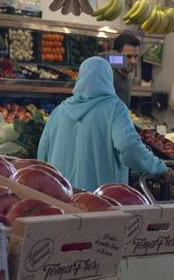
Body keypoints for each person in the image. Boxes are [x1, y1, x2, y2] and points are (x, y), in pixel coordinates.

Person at [38, 55, 166, 191]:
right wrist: (158, 168)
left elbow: (42, 154)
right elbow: (128, 146)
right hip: (101, 201)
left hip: (61, 197)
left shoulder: (59, 111)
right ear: (108, 79)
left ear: (80, 78)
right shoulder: (115, 109)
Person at [110, 33, 140, 106]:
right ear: (115, 54)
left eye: (135, 57)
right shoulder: (107, 77)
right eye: (128, 56)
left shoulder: (128, 78)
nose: (133, 61)